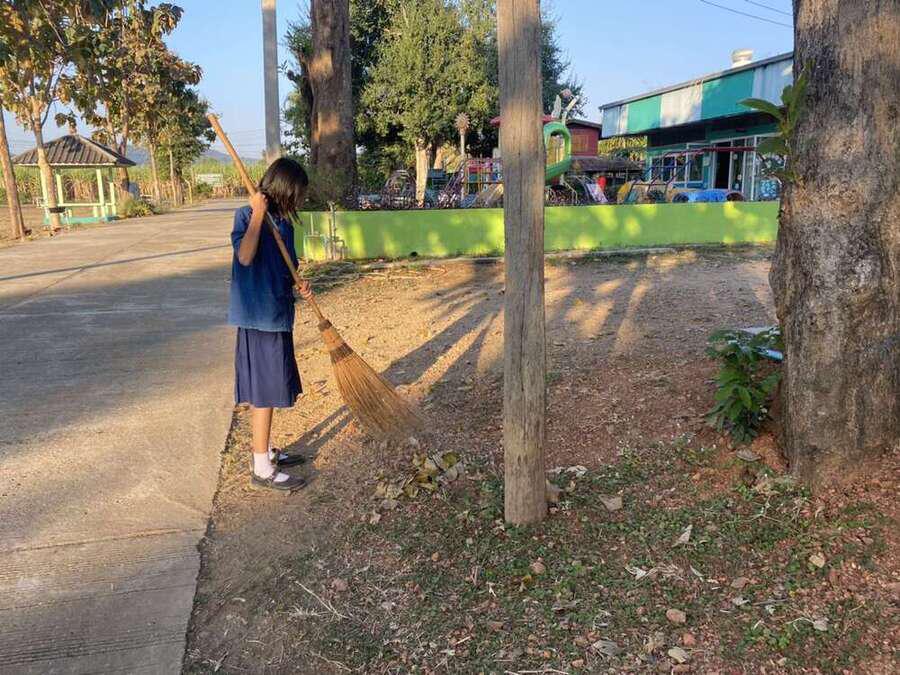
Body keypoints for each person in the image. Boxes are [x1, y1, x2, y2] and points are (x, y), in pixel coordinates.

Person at [229, 158, 313, 492]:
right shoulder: (246, 216)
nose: (301, 200)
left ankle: (264, 450)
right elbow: (245, 256)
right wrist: (258, 214)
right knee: (263, 393)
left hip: (278, 314)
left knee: (272, 388)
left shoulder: (284, 224)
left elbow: (287, 267)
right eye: (299, 193)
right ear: (285, 190)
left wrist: (299, 284)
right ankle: (262, 467)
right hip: (258, 318)